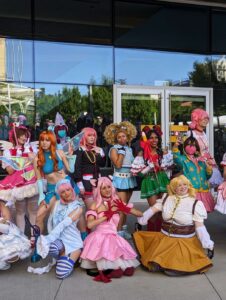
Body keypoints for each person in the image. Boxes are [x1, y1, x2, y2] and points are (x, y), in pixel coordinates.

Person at [133, 175, 214, 276]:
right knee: (154, 262)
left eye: (185, 184)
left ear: (189, 186)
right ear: (173, 188)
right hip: (164, 239)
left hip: (184, 242)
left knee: (175, 267)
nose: (183, 187)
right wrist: (141, 220)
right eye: (179, 185)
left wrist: (208, 244)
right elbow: (153, 209)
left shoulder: (196, 204)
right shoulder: (167, 198)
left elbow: (200, 227)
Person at [80, 177, 142, 283]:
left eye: (109, 187)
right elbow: (90, 225)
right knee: (116, 269)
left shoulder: (116, 202)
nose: (107, 190)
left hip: (114, 235)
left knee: (129, 270)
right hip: (100, 237)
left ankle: (113, 267)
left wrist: (124, 208)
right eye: (103, 188)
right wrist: (107, 215)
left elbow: (139, 214)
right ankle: (110, 267)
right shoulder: (96, 205)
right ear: (99, 190)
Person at [36, 179, 83, 279]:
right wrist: (43, 200)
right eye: (62, 192)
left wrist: (49, 238)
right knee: (52, 247)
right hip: (60, 241)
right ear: (60, 194)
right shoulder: (56, 204)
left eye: (68, 190)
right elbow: (43, 212)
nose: (66, 193)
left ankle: (73, 255)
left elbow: (65, 223)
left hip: (73, 242)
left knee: (60, 274)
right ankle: (63, 255)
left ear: (72, 190)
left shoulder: (78, 207)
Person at [34, 130, 79, 232]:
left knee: (69, 215)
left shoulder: (59, 152)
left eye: (47, 140)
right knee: (39, 215)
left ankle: (80, 238)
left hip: (66, 186)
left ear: (52, 141)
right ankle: (38, 243)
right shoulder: (37, 158)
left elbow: (71, 170)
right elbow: (39, 179)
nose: (44, 142)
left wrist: (71, 157)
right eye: (42, 140)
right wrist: (41, 195)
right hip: (51, 189)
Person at [0, 125, 38, 233]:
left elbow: (38, 164)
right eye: (21, 135)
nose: (24, 138)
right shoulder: (8, 152)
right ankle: (21, 237)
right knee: (20, 211)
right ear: (15, 136)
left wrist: (33, 158)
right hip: (17, 183)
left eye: (25, 135)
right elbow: (10, 171)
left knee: (33, 211)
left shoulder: (32, 149)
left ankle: (33, 237)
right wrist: (15, 162)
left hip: (31, 180)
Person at [133, 125, 171, 232]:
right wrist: (149, 167)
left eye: (156, 138)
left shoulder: (162, 152)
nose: (154, 140)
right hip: (150, 181)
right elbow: (138, 174)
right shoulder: (142, 154)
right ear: (147, 140)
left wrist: (164, 166)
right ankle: (152, 235)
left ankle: (161, 234)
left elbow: (169, 167)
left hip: (163, 180)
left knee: (163, 209)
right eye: (151, 138)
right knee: (154, 210)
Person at [104, 121, 137, 237]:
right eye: (119, 137)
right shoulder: (114, 149)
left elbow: (133, 164)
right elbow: (118, 165)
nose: (122, 138)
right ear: (116, 139)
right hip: (120, 180)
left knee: (126, 207)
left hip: (130, 179)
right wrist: (121, 152)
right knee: (121, 207)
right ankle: (118, 232)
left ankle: (123, 229)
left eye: (123, 136)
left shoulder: (130, 149)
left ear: (127, 136)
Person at [173, 134, 215, 212]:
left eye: (194, 145)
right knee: (191, 215)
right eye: (188, 144)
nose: (191, 147)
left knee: (201, 215)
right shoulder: (183, 159)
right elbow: (176, 158)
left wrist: (209, 168)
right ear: (184, 146)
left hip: (203, 191)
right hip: (191, 191)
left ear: (197, 148)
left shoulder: (201, 160)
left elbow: (207, 176)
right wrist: (175, 147)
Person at [72, 127, 105, 208]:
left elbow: (103, 164)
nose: (92, 137)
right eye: (89, 135)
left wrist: (101, 152)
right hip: (86, 183)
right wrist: (80, 184)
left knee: (99, 208)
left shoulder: (96, 149)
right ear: (84, 137)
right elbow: (77, 167)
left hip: (98, 181)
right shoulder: (79, 149)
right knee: (91, 209)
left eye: (93, 135)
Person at [189, 108, 223, 187]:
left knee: (208, 186)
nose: (206, 121)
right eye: (204, 118)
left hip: (207, 161)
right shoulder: (191, 133)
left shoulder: (203, 133)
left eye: (207, 119)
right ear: (196, 119)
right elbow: (189, 151)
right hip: (196, 163)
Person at [0, 200, 31, 270]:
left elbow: (7, 219)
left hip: (4, 229)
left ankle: (5, 258)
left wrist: (3, 222)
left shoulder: (1, 204)